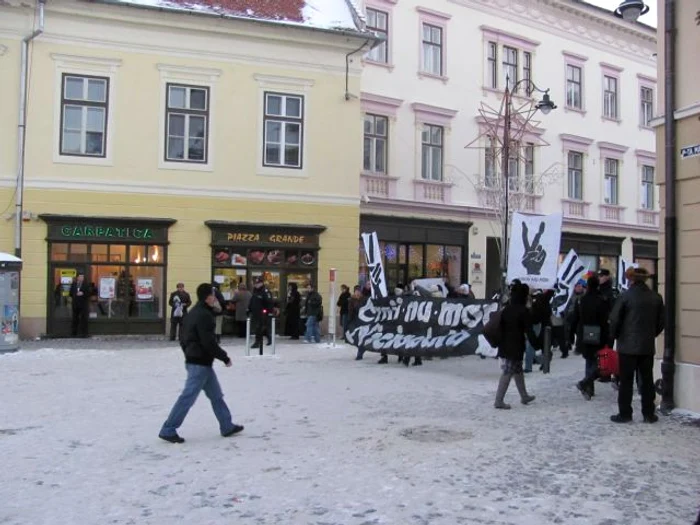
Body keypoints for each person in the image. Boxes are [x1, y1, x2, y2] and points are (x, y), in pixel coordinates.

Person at [158, 283, 244, 443]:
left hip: (198, 361)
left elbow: (183, 338)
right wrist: (224, 357)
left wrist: (188, 353)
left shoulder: (194, 313)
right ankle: (168, 429)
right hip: (199, 363)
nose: (216, 298)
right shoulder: (204, 315)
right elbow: (208, 342)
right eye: (214, 295)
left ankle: (226, 425)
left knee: (216, 395)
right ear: (208, 297)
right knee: (187, 397)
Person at [609, 267, 664, 423]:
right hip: (646, 345)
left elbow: (614, 320)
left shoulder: (625, 297)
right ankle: (648, 413)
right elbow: (661, 322)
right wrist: (650, 334)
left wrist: (615, 336)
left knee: (626, 381)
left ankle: (625, 414)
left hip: (627, 346)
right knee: (647, 380)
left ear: (631, 279)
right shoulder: (656, 297)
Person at [494, 282, 540, 409]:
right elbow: (529, 330)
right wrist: (537, 344)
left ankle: (524, 396)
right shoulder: (523, 311)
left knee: (518, 370)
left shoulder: (506, 309)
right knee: (508, 372)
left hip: (505, 344)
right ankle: (498, 400)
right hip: (515, 346)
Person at [570, 275, 610, 400]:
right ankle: (587, 383)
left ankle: (588, 387)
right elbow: (605, 320)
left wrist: (572, 333)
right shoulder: (602, 300)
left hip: (584, 332)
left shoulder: (582, 300)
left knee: (589, 360)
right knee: (598, 361)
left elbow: (575, 318)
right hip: (598, 332)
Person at [248, 277, 274, 347]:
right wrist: (249, 308)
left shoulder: (265, 291)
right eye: (255, 283)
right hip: (255, 312)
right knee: (261, 327)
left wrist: (269, 312)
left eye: (258, 283)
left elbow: (269, 302)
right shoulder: (255, 291)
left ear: (262, 283)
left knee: (258, 327)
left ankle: (257, 342)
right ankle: (269, 337)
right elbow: (252, 301)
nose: (256, 285)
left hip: (263, 313)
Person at [70, 273, 90, 338]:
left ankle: (84, 333)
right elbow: (70, 293)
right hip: (75, 304)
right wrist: (75, 295)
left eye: (83, 277)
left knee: (84, 319)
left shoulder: (86, 285)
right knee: (75, 319)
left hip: (83, 305)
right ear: (77, 277)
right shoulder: (74, 284)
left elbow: (89, 293)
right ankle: (74, 333)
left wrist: (83, 293)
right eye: (80, 277)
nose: (81, 278)